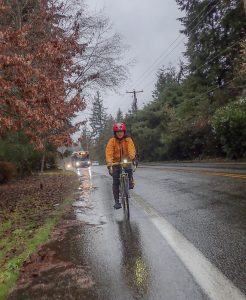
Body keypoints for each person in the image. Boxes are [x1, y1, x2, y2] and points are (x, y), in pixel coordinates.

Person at [105, 123, 136, 209]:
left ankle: (130, 181)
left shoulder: (128, 140)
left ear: (124, 132)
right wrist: (109, 162)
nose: (120, 133)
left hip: (126, 161)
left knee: (129, 170)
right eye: (118, 132)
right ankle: (117, 201)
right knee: (115, 181)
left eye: (121, 132)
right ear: (115, 133)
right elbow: (109, 152)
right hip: (115, 163)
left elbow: (131, 149)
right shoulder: (112, 141)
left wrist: (132, 157)